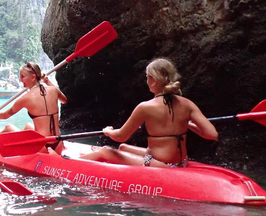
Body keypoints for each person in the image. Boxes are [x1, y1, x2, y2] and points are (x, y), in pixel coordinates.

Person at [80, 58, 218, 167]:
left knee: (105, 151)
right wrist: (186, 124)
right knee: (122, 148)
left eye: (147, 77)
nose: (146, 81)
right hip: (181, 163)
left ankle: (67, 163)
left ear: (153, 80)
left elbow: (121, 136)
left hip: (160, 164)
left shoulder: (145, 107)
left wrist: (108, 131)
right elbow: (212, 134)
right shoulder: (187, 104)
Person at [0, 61, 68, 154]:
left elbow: (5, 116)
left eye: (22, 76)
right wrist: (48, 82)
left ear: (33, 77)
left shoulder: (26, 98)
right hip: (58, 142)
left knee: (8, 127)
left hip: (40, 144)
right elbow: (64, 100)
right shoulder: (53, 90)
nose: (20, 79)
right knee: (28, 126)